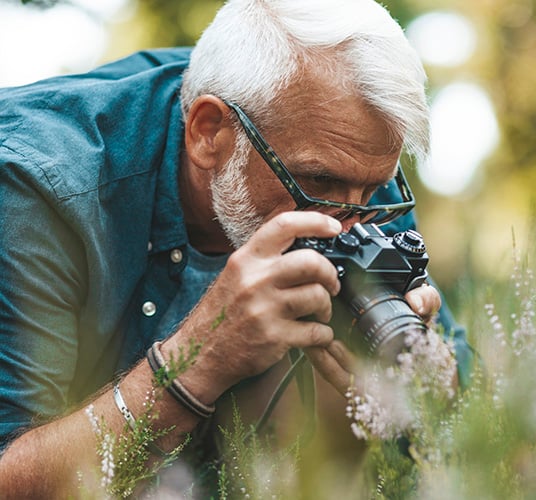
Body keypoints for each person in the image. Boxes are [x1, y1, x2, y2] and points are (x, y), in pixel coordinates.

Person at [0, 0, 472, 495]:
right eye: (316, 180)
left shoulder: (356, 180)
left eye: (373, 190)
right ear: (209, 133)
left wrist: (426, 381)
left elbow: (456, 384)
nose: (347, 227)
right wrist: (199, 361)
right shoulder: (40, 187)